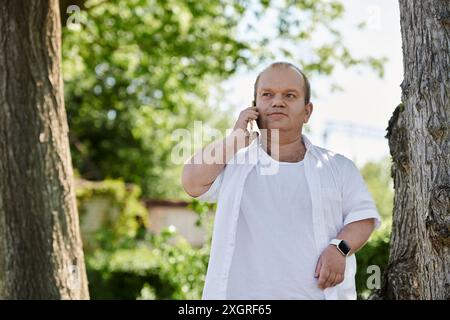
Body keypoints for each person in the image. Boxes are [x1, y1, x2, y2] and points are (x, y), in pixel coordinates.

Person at [181, 61, 381, 300]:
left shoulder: (338, 167)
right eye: (267, 94)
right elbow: (191, 182)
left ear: (307, 111)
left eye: (290, 95)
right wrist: (234, 139)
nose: (277, 101)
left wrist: (340, 247)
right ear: (254, 107)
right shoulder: (232, 162)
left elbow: (363, 218)